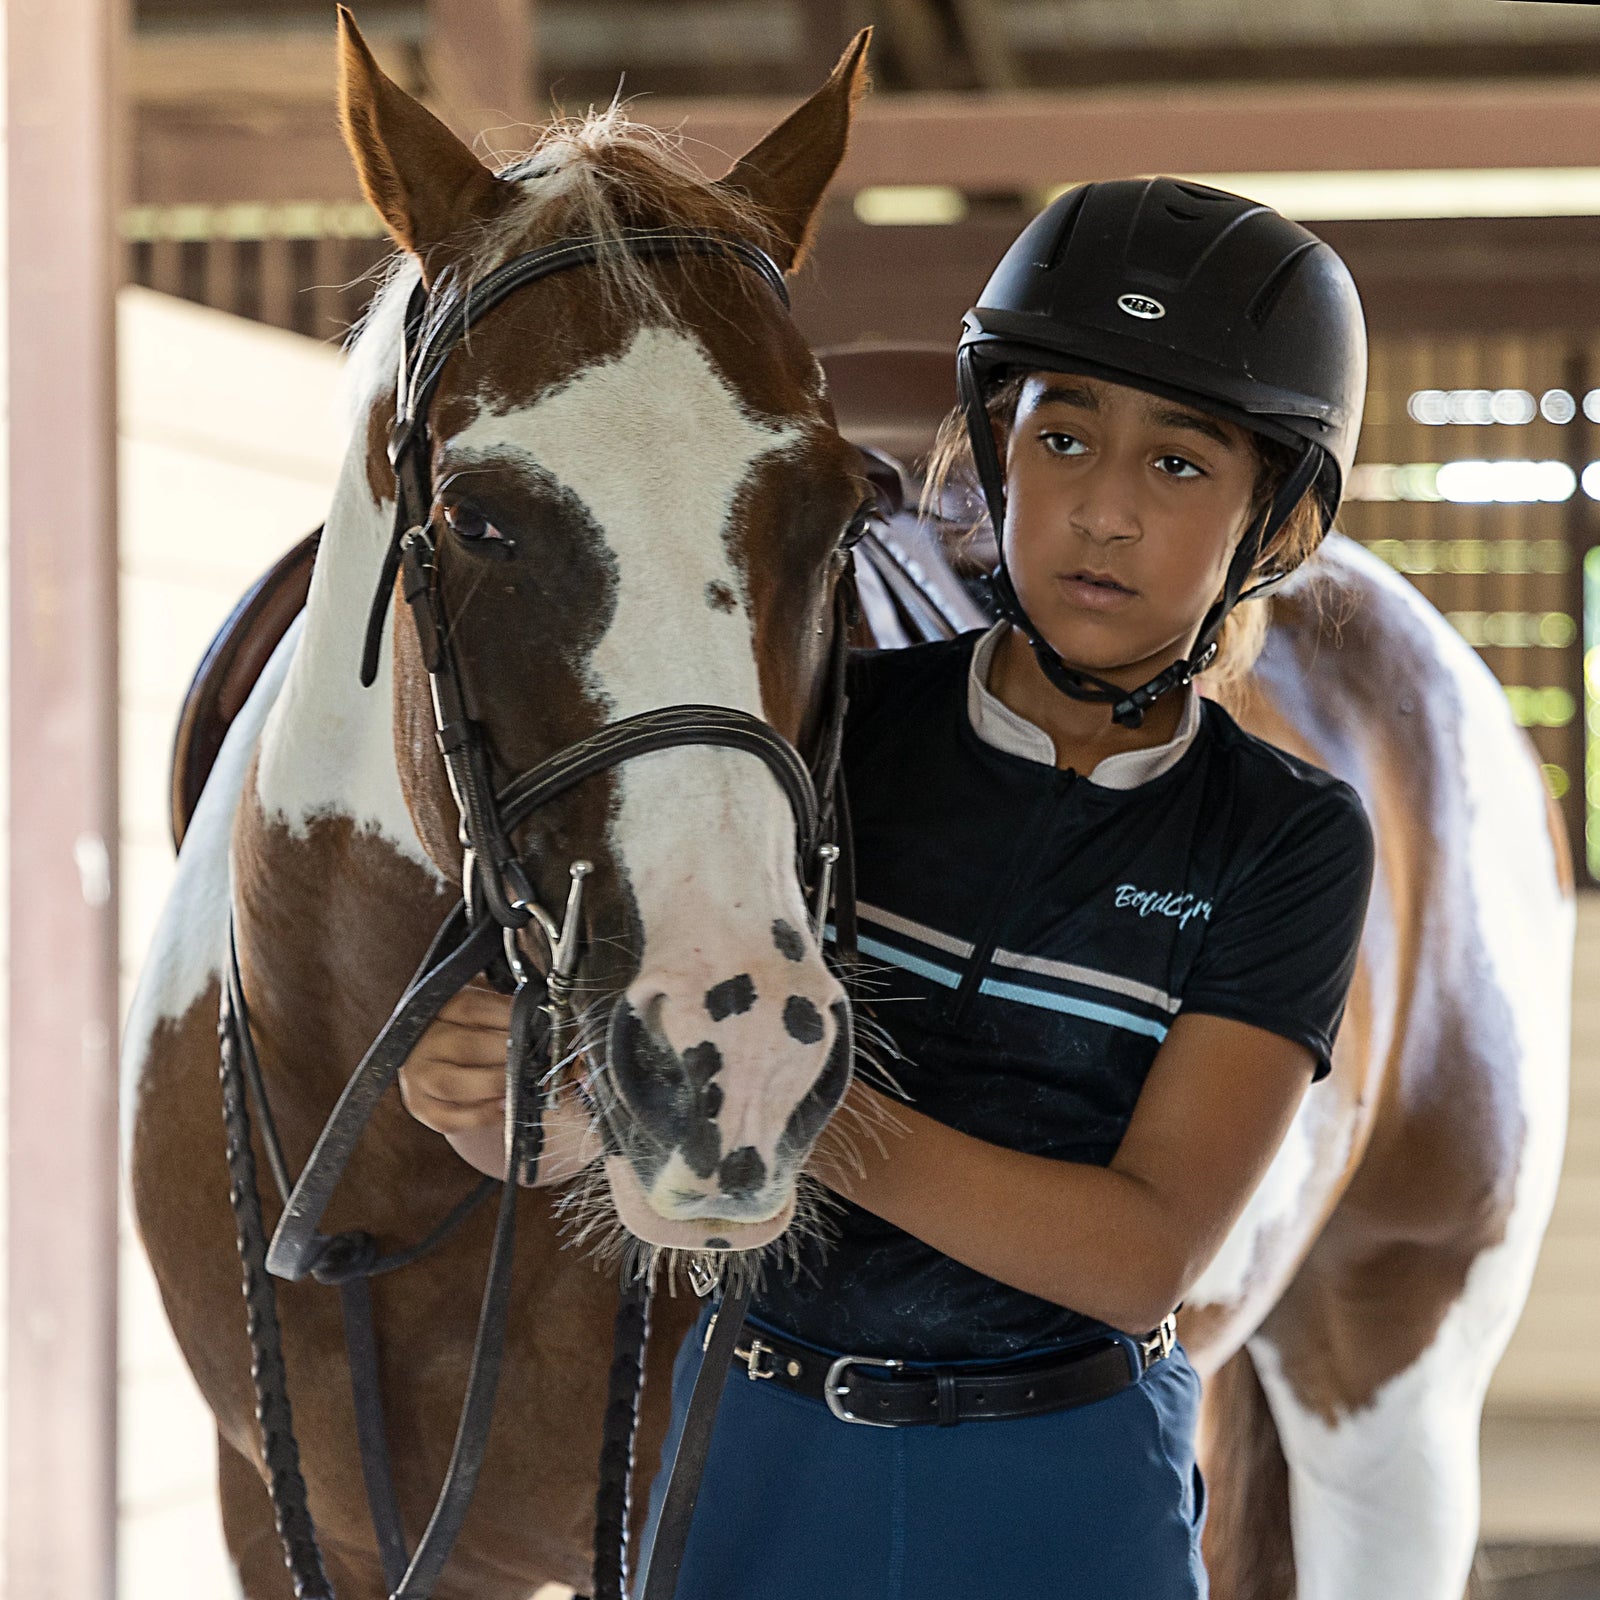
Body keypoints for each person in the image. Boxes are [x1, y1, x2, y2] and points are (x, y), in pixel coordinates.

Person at [399, 177, 1376, 1600]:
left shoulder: (1285, 839)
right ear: (997, 450)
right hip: (758, 1447)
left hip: (1069, 1475)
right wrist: (525, 1110)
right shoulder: (828, 736)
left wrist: (773, 1099)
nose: (1103, 509)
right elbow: (618, 1112)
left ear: (1271, 522)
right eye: (1062, 436)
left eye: (1179, 465)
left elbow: (1138, 1258)